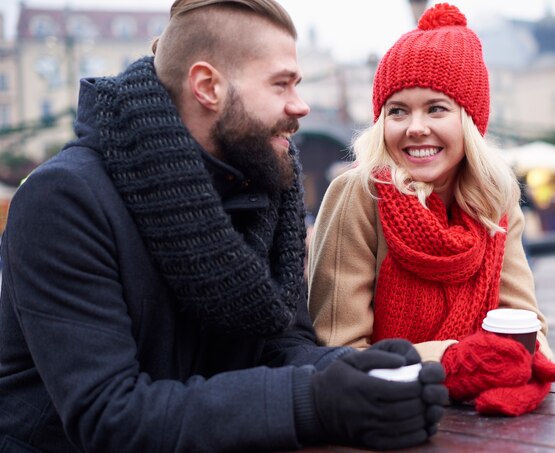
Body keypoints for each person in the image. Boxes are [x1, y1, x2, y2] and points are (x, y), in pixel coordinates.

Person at [0, 1, 448, 451]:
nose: (301, 105)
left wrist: (356, 372)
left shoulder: (262, 180)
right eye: (281, 84)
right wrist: (316, 401)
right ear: (207, 86)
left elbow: (279, 346)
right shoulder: (62, 200)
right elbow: (109, 416)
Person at [308, 3, 555, 417]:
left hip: (482, 419)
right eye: (397, 111)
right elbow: (339, 352)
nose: (415, 127)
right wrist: (458, 359)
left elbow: (526, 326)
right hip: (383, 418)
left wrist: (526, 352)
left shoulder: (496, 204)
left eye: (436, 108)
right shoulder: (359, 193)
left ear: (469, 121)